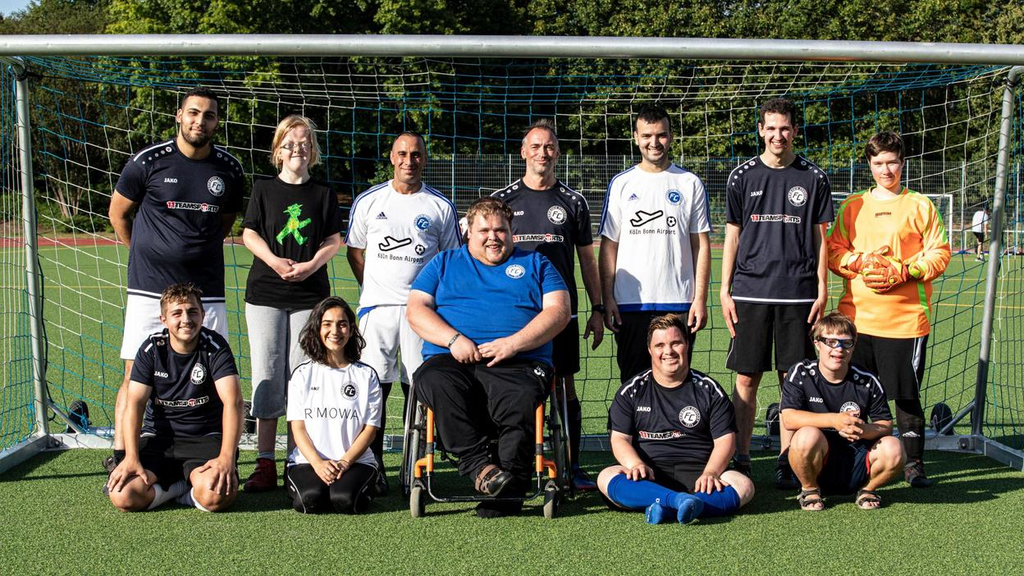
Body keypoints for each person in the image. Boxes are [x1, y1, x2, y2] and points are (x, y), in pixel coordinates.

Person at [106, 87, 245, 471]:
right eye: (194, 113)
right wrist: (145, 253)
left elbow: (224, 222)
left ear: (217, 122)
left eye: (210, 116)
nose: (201, 121)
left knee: (214, 373)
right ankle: (122, 457)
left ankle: (215, 455)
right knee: (135, 370)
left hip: (207, 292)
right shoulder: (147, 162)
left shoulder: (229, 170)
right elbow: (119, 213)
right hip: (149, 287)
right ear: (179, 115)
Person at [407, 197, 570, 518]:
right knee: (432, 380)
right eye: (484, 230)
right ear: (468, 232)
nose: (493, 237)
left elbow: (559, 311)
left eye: (501, 230)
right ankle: (481, 468)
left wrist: (514, 343)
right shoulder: (443, 263)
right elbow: (416, 310)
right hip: (453, 360)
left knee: (519, 397)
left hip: (520, 361)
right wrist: (454, 340)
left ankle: (507, 488)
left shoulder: (537, 264)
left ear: (512, 232)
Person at [719, 96, 833, 488]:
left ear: (794, 131)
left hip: (799, 295)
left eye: (785, 128)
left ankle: (789, 459)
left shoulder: (814, 178)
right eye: (771, 128)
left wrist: (822, 289)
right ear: (761, 131)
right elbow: (732, 235)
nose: (777, 135)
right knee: (746, 380)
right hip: (750, 292)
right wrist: (724, 288)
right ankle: (743, 455)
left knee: (792, 380)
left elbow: (822, 240)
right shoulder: (742, 176)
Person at [827, 131, 950, 487]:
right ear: (869, 164)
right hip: (856, 322)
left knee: (906, 396)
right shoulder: (853, 206)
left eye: (892, 162)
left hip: (905, 321)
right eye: (878, 163)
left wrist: (905, 270)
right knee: (854, 395)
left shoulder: (921, 205)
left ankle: (913, 465)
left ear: (903, 163)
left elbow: (940, 253)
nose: (886, 169)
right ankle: (856, 459)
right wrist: (861, 261)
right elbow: (834, 251)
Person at [345, 131, 461, 495]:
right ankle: (372, 464)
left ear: (424, 159)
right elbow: (355, 252)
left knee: (420, 386)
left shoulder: (439, 206)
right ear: (391, 157)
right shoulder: (368, 201)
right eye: (402, 154)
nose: (408, 161)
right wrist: (373, 290)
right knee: (373, 387)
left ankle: (416, 467)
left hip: (420, 314)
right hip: (376, 311)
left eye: (416, 154)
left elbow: (449, 261)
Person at [492, 119, 604, 491]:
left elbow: (588, 261)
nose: (543, 153)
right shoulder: (502, 201)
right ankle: (505, 463)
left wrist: (598, 309)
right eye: (536, 146)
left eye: (550, 146)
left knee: (565, 387)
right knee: (506, 385)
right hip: (513, 314)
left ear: (558, 152)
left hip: (561, 315)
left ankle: (572, 466)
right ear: (523, 152)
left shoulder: (572, 202)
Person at [240, 115, 343, 492]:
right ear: (277, 150)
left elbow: (334, 240)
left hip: (309, 296)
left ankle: (298, 459)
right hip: (266, 294)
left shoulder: (323, 194)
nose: (296, 149)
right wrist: (275, 261)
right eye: (289, 143)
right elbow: (249, 233)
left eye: (303, 143)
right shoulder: (264, 188)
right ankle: (265, 461)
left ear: (312, 150)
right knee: (267, 377)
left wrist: (312, 264)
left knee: (303, 379)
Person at [596, 313, 754, 524]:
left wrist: (711, 473)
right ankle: (680, 502)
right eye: (660, 345)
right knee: (606, 476)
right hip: (649, 477)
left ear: (687, 345)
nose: (668, 351)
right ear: (650, 350)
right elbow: (620, 439)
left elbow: (725, 441)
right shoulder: (631, 391)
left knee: (743, 484)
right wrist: (634, 464)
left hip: (700, 478)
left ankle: (667, 507)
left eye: (676, 343)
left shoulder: (709, 390)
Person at [598, 103, 711, 383]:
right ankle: (630, 429)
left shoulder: (689, 183)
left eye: (661, 135)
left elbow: (702, 246)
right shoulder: (622, 183)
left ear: (671, 137)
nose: (654, 142)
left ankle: (676, 429)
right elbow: (609, 246)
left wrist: (699, 299)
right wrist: (608, 298)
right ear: (636, 137)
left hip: (678, 302)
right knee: (633, 380)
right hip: (630, 303)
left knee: (676, 379)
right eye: (647, 136)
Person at [106, 283, 243, 512]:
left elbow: (234, 402)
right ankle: (179, 488)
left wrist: (227, 457)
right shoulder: (151, 349)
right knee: (124, 496)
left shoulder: (215, 347)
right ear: (164, 320)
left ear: (203, 315)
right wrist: (130, 457)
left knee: (217, 495)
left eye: (192, 312)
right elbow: (135, 403)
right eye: (177, 313)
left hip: (204, 438)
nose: (186, 319)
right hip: (159, 439)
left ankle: (186, 491)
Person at [781, 312, 906, 510]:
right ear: (817, 343)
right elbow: (789, 418)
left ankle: (868, 489)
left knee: (894, 448)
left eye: (846, 343)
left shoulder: (867, 380)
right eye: (831, 342)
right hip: (815, 459)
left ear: (853, 346)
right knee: (806, 435)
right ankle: (810, 489)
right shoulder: (801, 373)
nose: (838, 349)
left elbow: (886, 425)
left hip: (856, 457)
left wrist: (863, 430)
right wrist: (834, 420)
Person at [285, 297, 382, 514]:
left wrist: (345, 462)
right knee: (309, 501)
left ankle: (363, 482)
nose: (335, 331)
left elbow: (370, 429)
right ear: (317, 328)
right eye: (327, 324)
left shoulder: (366, 375)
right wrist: (318, 464)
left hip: (355, 462)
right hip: (308, 461)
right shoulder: (302, 374)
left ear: (351, 329)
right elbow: (297, 428)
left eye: (342, 324)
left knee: (345, 501)